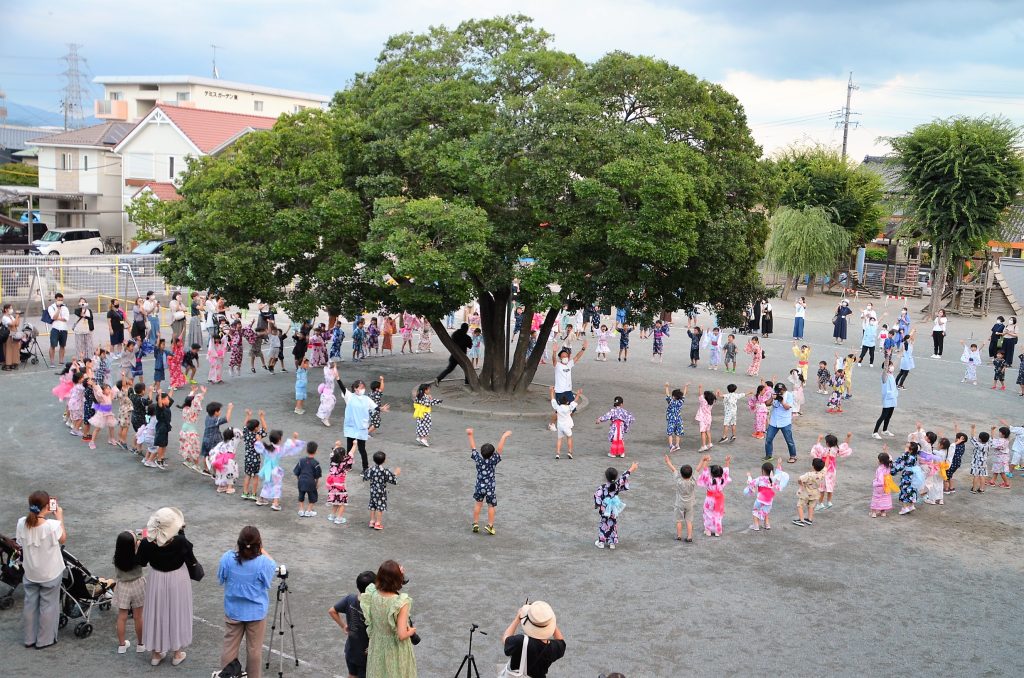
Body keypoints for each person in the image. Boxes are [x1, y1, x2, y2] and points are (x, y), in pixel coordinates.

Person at [136, 507, 195, 667]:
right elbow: (190, 558)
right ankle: (177, 653)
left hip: (157, 578)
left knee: (156, 612)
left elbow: (141, 561)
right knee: (177, 611)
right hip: (177, 579)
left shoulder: (148, 542)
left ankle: (156, 653)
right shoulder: (181, 541)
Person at [217, 526, 276, 678]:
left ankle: (227, 675)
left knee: (229, 646)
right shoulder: (263, 562)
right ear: (259, 544)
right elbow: (272, 569)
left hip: (233, 611)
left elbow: (220, 578)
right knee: (254, 650)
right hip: (256, 613)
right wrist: (261, 550)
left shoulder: (227, 558)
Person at [15, 491, 66, 649]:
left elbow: (19, 542)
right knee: (48, 605)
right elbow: (63, 538)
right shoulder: (52, 525)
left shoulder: (21, 522)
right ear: (46, 506)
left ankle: (29, 638)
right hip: (50, 573)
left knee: (30, 604)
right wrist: (59, 517)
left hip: (31, 572)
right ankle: (45, 640)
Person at [361, 560, 417, 677]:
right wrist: (411, 631)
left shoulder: (372, 594)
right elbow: (402, 635)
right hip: (395, 649)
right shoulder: (400, 602)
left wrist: (394, 573)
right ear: (398, 579)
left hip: (377, 645)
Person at [501, 601, 566, 678]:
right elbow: (561, 641)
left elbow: (505, 638)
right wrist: (548, 622)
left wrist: (517, 618)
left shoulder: (520, 642)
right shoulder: (554, 648)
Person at [329, 570, 375, 678]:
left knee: (352, 674)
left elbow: (332, 611)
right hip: (366, 654)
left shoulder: (350, 599)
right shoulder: (373, 607)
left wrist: (343, 625)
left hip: (351, 650)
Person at [467, 428, 512, 534]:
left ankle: (476, 523)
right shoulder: (493, 460)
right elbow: (500, 449)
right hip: (490, 488)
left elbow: (473, 448)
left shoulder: (478, 459)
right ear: (492, 454)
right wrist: (504, 436)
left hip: (479, 487)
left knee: (478, 504)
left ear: (481, 452)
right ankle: (490, 525)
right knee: (491, 506)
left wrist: (470, 435)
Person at [339, 377, 388, 472]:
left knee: (362, 450)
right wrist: (337, 378)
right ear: (355, 388)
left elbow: (375, 407)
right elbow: (342, 387)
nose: (362, 389)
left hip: (361, 427)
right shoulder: (349, 396)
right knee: (349, 447)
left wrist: (381, 409)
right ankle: (348, 465)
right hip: (352, 427)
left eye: (363, 387)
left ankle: (365, 468)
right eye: (361, 387)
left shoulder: (366, 399)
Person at [112, 530, 146, 655]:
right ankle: (141, 644)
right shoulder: (137, 555)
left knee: (122, 617)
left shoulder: (117, 557)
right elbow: (143, 560)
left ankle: (122, 645)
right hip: (137, 584)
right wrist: (139, 544)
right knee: (138, 617)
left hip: (123, 586)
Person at [549, 341, 587, 431]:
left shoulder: (569, 364)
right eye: (563, 356)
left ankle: (565, 422)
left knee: (572, 409)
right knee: (559, 410)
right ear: (560, 358)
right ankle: (552, 424)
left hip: (568, 391)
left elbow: (577, 357)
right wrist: (554, 352)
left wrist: (583, 349)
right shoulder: (557, 365)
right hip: (560, 391)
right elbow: (554, 360)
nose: (565, 357)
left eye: (566, 356)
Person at [665, 455, 703, 542]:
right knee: (689, 520)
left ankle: (679, 536)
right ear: (691, 474)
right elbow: (697, 470)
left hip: (679, 504)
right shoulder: (693, 482)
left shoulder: (678, 481)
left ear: (681, 474)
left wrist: (668, 462)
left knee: (679, 520)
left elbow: (673, 470)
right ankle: (689, 536)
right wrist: (702, 460)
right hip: (690, 504)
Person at [811, 432, 854, 508]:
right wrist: (848, 436)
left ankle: (820, 504)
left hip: (824, 470)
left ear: (827, 443)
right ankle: (829, 502)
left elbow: (817, 447)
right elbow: (845, 444)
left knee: (822, 489)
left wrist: (819, 439)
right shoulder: (836, 450)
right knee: (830, 486)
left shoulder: (824, 450)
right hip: (832, 471)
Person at [363, 451, 401, 530]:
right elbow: (393, 480)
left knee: (373, 505)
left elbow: (365, 477)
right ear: (384, 461)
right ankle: (378, 523)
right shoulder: (385, 471)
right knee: (380, 507)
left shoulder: (371, 469)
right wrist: (396, 473)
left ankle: (372, 521)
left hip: (373, 490)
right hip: (381, 492)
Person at [697, 455, 731, 537]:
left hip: (709, 499)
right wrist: (727, 462)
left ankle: (708, 530)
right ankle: (717, 531)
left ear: (711, 473)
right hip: (719, 499)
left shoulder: (709, 479)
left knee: (708, 513)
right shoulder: (722, 479)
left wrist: (706, 461)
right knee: (718, 514)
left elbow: (704, 471)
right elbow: (726, 471)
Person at [763, 383, 797, 463]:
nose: (779, 392)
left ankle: (793, 456)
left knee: (789, 440)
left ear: (784, 389)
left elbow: (787, 407)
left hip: (785, 422)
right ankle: (768, 455)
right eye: (778, 391)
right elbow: (767, 404)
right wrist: (772, 398)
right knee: (768, 439)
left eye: (780, 391)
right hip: (774, 421)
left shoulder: (789, 395)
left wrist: (781, 400)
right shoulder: (774, 394)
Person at [551, 386, 582, 459]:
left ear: (559, 401)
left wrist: (552, 392)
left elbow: (553, 400)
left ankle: (558, 453)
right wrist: (578, 394)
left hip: (560, 426)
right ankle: (570, 452)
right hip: (567, 426)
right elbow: (575, 401)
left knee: (559, 439)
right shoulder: (569, 407)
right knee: (569, 438)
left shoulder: (558, 407)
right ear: (567, 402)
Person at [793, 457, 825, 526]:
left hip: (806, 493)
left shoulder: (809, 475)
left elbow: (800, 479)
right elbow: (825, 467)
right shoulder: (822, 473)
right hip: (815, 492)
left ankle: (801, 520)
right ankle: (810, 519)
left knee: (800, 505)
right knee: (811, 506)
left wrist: (801, 484)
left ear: (813, 466)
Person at [294, 441, 322, 517]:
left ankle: (301, 509)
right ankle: (308, 510)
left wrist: (298, 480)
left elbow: (296, 472)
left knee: (301, 495)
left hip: (301, 481)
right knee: (313, 496)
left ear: (306, 450)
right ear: (316, 451)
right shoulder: (316, 463)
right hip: (311, 482)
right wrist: (316, 484)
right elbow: (317, 476)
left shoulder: (301, 461)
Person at [872, 365, 899, 438]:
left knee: (889, 416)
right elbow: (886, 364)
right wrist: (887, 356)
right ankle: (875, 432)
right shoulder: (884, 376)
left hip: (893, 398)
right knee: (883, 416)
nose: (892, 367)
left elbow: (895, 363)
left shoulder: (891, 375)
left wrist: (899, 354)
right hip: (887, 398)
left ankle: (884, 430)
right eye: (890, 366)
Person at [412, 382, 442, 447]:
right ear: (425, 390)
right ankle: (424, 438)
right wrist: (437, 401)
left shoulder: (419, 396)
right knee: (427, 426)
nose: (429, 390)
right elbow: (429, 403)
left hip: (419, 413)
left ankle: (420, 437)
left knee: (420, 425)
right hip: (425, 414)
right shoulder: (424, 397)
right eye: (428, 389)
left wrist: (429, 398)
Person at [46, 293, 71, 364]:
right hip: (55, 328)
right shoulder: (51, 307)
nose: (60, 301)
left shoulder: (65, 308)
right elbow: (53, 317)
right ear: (56, 299)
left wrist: (58, 318)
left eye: (62, 300)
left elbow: (66, 319)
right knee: (53, 345)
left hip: (64, 329)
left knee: (62, 345)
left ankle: (61, 360)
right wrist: (58, 309)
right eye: (59, 300)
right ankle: (52, 360)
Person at [870, 450, 894, 518]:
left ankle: (874, 512)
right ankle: (883, 512)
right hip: (887, 485)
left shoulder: (880, 469)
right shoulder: (889, 466)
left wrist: (874, 483)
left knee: (876, 498)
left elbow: (880, 481)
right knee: (884, 498)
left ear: (881, 461)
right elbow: (890, 458)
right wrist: (885, 451)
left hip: (880, 486)